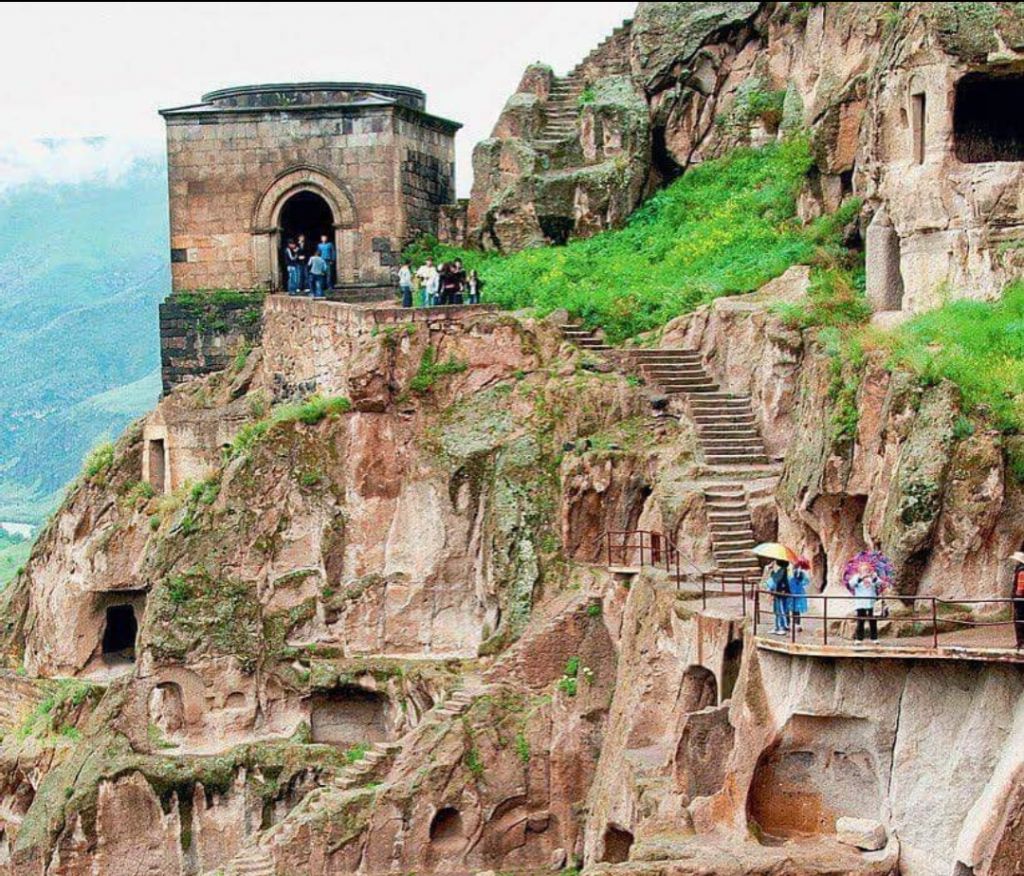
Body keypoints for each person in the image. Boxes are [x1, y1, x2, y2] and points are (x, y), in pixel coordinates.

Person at [849, 562, 881, 643]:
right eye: (863, 569)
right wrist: (860, 578)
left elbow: (879, 584)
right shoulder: (856, 577)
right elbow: (851, 584)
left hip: (871, 602)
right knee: (860, 621)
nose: (865, 571)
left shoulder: (873, 576)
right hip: (861, 603)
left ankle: (874, 638)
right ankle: (859, 638)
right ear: (860, 570)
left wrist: (874, 578)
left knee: (873, 621)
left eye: (867, 569)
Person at [765, 560, 791, 635]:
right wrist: (772, 571)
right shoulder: (781, 570)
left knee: (780, 610)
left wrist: (772, 571)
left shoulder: (782, 570)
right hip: (779, 593)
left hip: (780, 593)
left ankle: (781, 627)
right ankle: (778, 626)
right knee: (778, 610)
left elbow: (777, 580)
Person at [789, 557, 811, 633]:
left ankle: (796, 624)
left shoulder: (799, 573)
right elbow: (806, 582)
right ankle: (796, 624)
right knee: (795, 609)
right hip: (797, 592)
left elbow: (805, 581)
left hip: (795, 592)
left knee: (795, 609)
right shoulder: (799, 573)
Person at [1011, 551, 1024, 649]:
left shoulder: (1021, 571)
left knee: (1019, 619)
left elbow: (1020, 588)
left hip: (1020, 600)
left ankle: (1021, 642)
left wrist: (1016, 597)